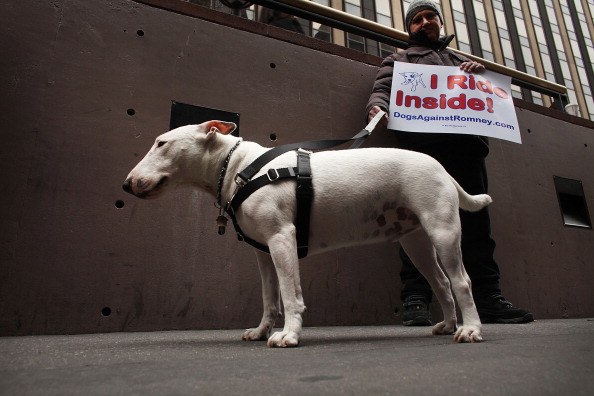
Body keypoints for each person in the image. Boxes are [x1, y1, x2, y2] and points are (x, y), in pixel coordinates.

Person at [366, 0, 533, 325]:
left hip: (466, 150)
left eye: (431, 17)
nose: (425, 22)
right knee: (415, 224)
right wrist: (376, 107)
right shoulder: (399, 59)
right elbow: (381, 89)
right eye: (418, 19)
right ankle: (416, 299)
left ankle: (488, 298)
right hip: (422, 151)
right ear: (409, 28)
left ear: (439, 23)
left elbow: (487, 96)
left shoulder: (461, 62)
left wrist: (478, 77)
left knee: (476, 227)